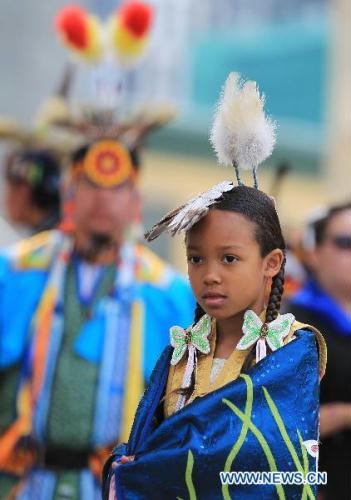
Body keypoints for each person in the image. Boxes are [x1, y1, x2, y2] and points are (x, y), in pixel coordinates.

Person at [103, 73, 326, 499]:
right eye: (195, 258)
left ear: (272, 263)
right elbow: (147, 448)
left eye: (229, 258)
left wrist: (162, 466)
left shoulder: (293, 351)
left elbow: (275, 464)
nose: (210, 274)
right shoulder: (181, 352)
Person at [0, 135, 194, 499]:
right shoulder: (15, 272)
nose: (104, 198)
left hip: (112, 486)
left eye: (118, 187)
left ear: (136, 202)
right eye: (92, 184)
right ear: (69, 193)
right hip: (21, 481)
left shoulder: (166, 294)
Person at [287, 201, 351, 499]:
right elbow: (275, 422)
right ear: (314, 252)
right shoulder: (292, 324)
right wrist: (342, 414)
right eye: (345, 242)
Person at [3, 148, 61, 234]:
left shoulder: (48, 242)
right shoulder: (62, 230)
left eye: (10, 189)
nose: (6, 199)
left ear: (23, 191)